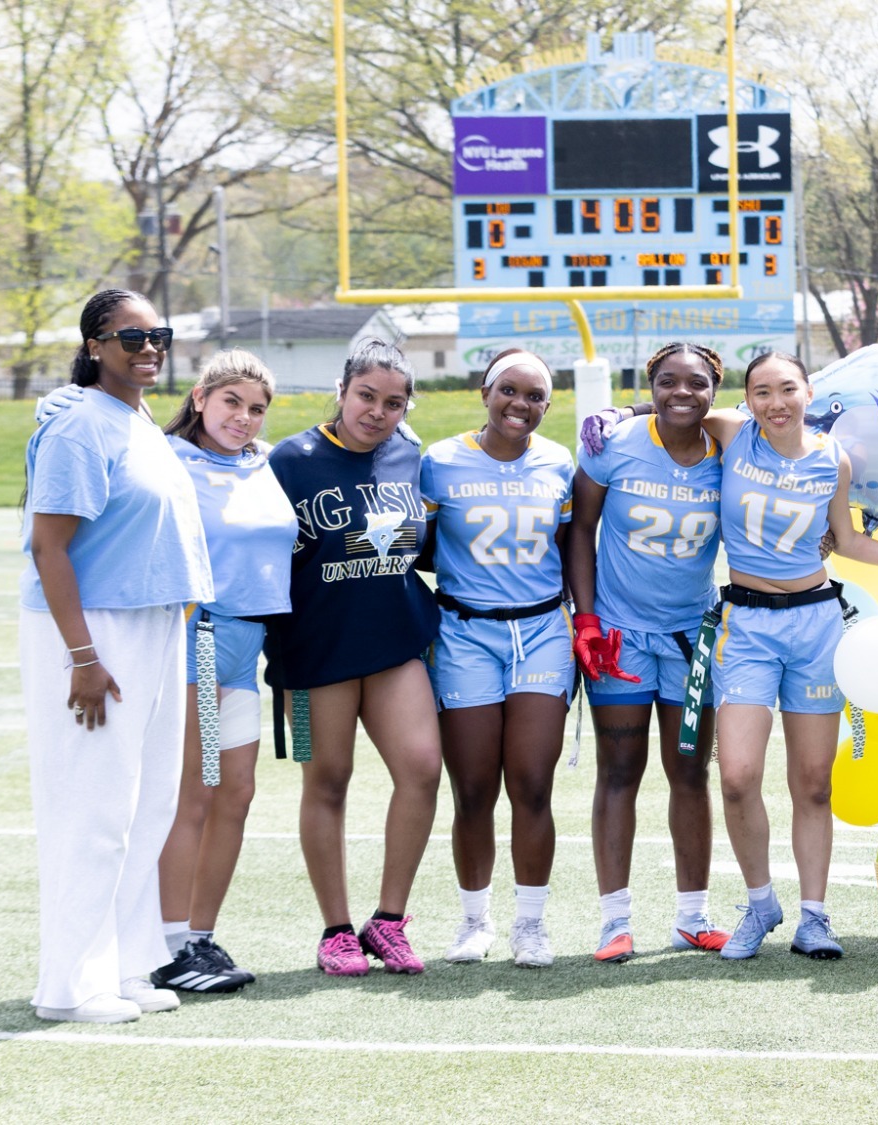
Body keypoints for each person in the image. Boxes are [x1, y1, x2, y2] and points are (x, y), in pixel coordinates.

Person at [699, 351, 878, 960]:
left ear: (810, 392)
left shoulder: (833, 458)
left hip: (814, 624)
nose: (775, 403)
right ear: (747, 399)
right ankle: (760, 905)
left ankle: (814, 916)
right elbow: (675, 405)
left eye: (787, 389)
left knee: (812, 783)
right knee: (736, 777)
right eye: (761, 392)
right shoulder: (730, 434)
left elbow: (851, 537)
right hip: (746, 624)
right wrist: (624, 409)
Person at [20, 289, 211, 1022]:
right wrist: (83, 656)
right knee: (93, 810)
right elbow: (50, 546)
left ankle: (128, 965)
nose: (147, 347)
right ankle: (71, 985)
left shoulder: (136, 419)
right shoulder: (77, 428)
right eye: (129, 337)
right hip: (95, 629)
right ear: (95, 344)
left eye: (157, 334)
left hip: (155, 623)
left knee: (149, 804)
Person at [265, 340, 442, 976]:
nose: (377, 412)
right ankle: (336, 930)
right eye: (367, 396)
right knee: (327, 781)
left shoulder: (408, 454)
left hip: (394, 644)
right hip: (313, 654)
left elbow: (413, 549)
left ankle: (388, 921)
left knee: (422, 768)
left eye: (394, 402)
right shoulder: (290, 460)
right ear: (342, 392)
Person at [569, 342, 730, 962]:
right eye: (666, 383)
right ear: (652, 384)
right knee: (619, 771)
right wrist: (585, 618)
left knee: (691, 771)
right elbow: (581, 528)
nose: (681, 393)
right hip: (620, 633)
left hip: (693, 637)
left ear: (715, 391)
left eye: (695, 383)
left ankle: (692, 916)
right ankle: (615, 922)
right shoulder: (615, 445)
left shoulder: (731, 450)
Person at [421, 349, 576, 968]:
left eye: (535, 395)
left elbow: (564, 548)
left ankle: (531, 925)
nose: (521, 404)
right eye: (509, 390)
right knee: (474, 788)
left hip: (540, 630)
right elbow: (420, 547)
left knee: (533, 785)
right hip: (465, 633)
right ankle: (473, 919)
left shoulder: (558, 463)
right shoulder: (440, 462)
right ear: (484, 392)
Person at [149, 351, 296, 994]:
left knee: (237, 794)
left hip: (247, 647)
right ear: (201, 396)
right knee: (198, 793)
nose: (244, 417)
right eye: (232, 402)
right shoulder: (167, 459)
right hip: (198, 644)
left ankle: (199, 937)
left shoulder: (262, 462)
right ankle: (167, 944)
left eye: (257, 408)